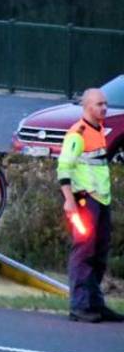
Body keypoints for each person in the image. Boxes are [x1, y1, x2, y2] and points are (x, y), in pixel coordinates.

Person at [59, 87, 120, 323]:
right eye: (98, 104)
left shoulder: (100, 130)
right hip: (85, 201)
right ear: (87, 107)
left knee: (100, 253)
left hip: (101, 199)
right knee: (84, 252)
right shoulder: (78, 133)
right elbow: (64, 168)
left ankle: (95, 303)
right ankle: (80, 306)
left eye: (105, 103)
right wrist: (69, 201)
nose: (104, 108)